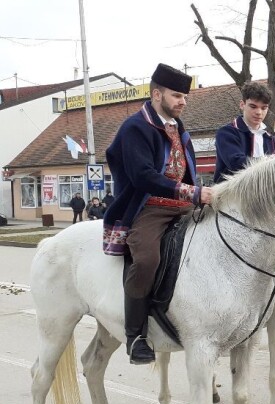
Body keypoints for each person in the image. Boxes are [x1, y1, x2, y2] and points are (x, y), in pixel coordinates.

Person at [103, 63, 212, 365]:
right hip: (147, 206)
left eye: (185, 97)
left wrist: (201, 195)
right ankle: (136, 335)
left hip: (184, 205)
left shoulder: (179, 127)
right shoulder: (134, 127)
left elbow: (187, 172)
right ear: (156, 94)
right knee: (148, 259)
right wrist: (192, 193)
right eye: (177, 95)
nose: (183, 102)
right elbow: (143, 177)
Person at [213, 81, 275, 183]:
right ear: (242, 105)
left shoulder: (271, 140)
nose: (259, 112)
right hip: (232, 196)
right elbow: (236, 164)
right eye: (253, 106)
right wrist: (273, 161)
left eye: (264, 108)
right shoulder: (227, 133)